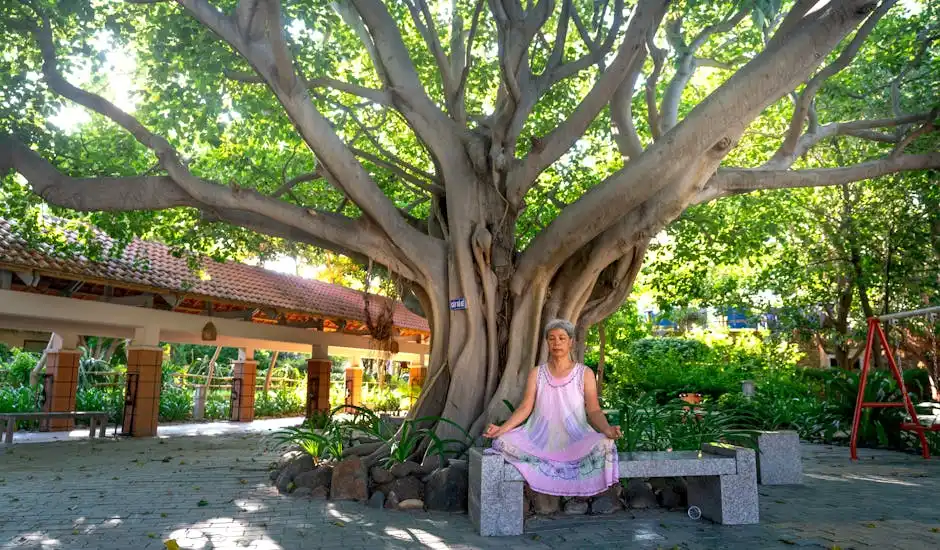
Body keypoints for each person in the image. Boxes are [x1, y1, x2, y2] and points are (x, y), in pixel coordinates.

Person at [483, 319, 622, 497]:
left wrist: (607, 429)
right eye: (552, 338)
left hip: (574, 439)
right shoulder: (537, 373)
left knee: (605, 444)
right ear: (547, 342)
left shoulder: (584, 373)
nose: (557, 343)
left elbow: (593, 410)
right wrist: (502, 429)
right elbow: (525, 407)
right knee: (502, 442)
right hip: (539, 438)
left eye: (562, 338)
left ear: (571, 342)